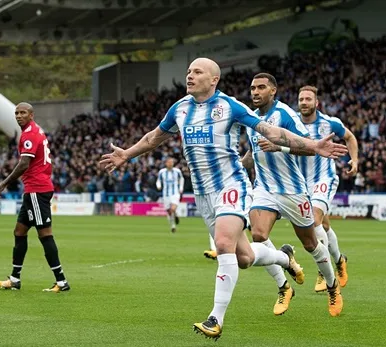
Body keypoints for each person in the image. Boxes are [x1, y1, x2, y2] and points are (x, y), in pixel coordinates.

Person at [100, 58, 347, 340]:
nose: (189, 75)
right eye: (188, 71)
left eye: (197, 71)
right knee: (243, 257)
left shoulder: (230, 106)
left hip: (232, 185)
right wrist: (127, 154)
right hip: (203, 193)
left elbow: (271, 131)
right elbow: (154, 137)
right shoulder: (180, 108)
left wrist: (314, 145)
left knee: (223, 244)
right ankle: (284, 258)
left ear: (214, 79)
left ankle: (215, 319)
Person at [241, 73, 343, 317]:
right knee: (258, 235)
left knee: (311, 244)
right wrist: (234, 164)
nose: (255, 92)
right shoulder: (250, 118)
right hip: (264, 188)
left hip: (293, 190)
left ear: (273, 91)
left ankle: (332, 286)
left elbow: (310, 149)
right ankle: (284, 286)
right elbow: (252, 152)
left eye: (261, 88)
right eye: (253, 88)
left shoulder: (285, 114)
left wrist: (279, 146)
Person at [262, 85, 356, 292]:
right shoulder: (290, 121)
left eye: (308, 99)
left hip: (324, 178)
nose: (304, 102)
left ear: (316, 103)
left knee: (314, 220)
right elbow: (286, 144)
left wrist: (354, 160)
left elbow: (349, 137)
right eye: (301, 99)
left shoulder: (329, 123)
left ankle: (324, 272)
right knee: (324, 226)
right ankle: (339, 260)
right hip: (300, 182)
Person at [0, 102, 70, 293]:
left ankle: (61, 282)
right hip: (33, 190)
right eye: (16, 113)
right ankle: (14, 279)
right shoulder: (35, 131)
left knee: (45, 234)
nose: (19, 116)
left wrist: (4, 182)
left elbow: (24, 163)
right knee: (19, 232)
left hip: (37, 189)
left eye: (23, 113)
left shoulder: (29, 134)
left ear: (31, 115)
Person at [155, 157, 184, 233]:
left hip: (175, 193)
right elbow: (158, 180)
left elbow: (182, 179)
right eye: (169, 162)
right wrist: (158, 185)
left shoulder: (177, 171)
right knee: (169, 211)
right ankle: (173, 225)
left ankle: (174, 223)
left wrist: (181, 187)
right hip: (166, 194)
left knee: (173, 209)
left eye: (172, 162)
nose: (171, 163)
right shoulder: (162, 172)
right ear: (166, 163)